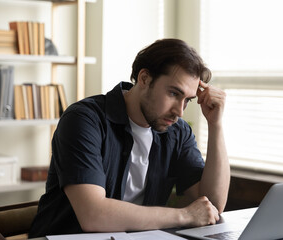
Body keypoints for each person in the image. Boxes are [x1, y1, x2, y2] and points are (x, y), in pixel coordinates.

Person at [29, 38, 230, 237]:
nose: (180, 111)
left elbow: (212, 206)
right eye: (173, 93)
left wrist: (216, 125)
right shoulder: (84, 120)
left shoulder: (177, 132)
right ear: (144, 79)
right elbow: (93, 215)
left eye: (187, 100)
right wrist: (184, 215)